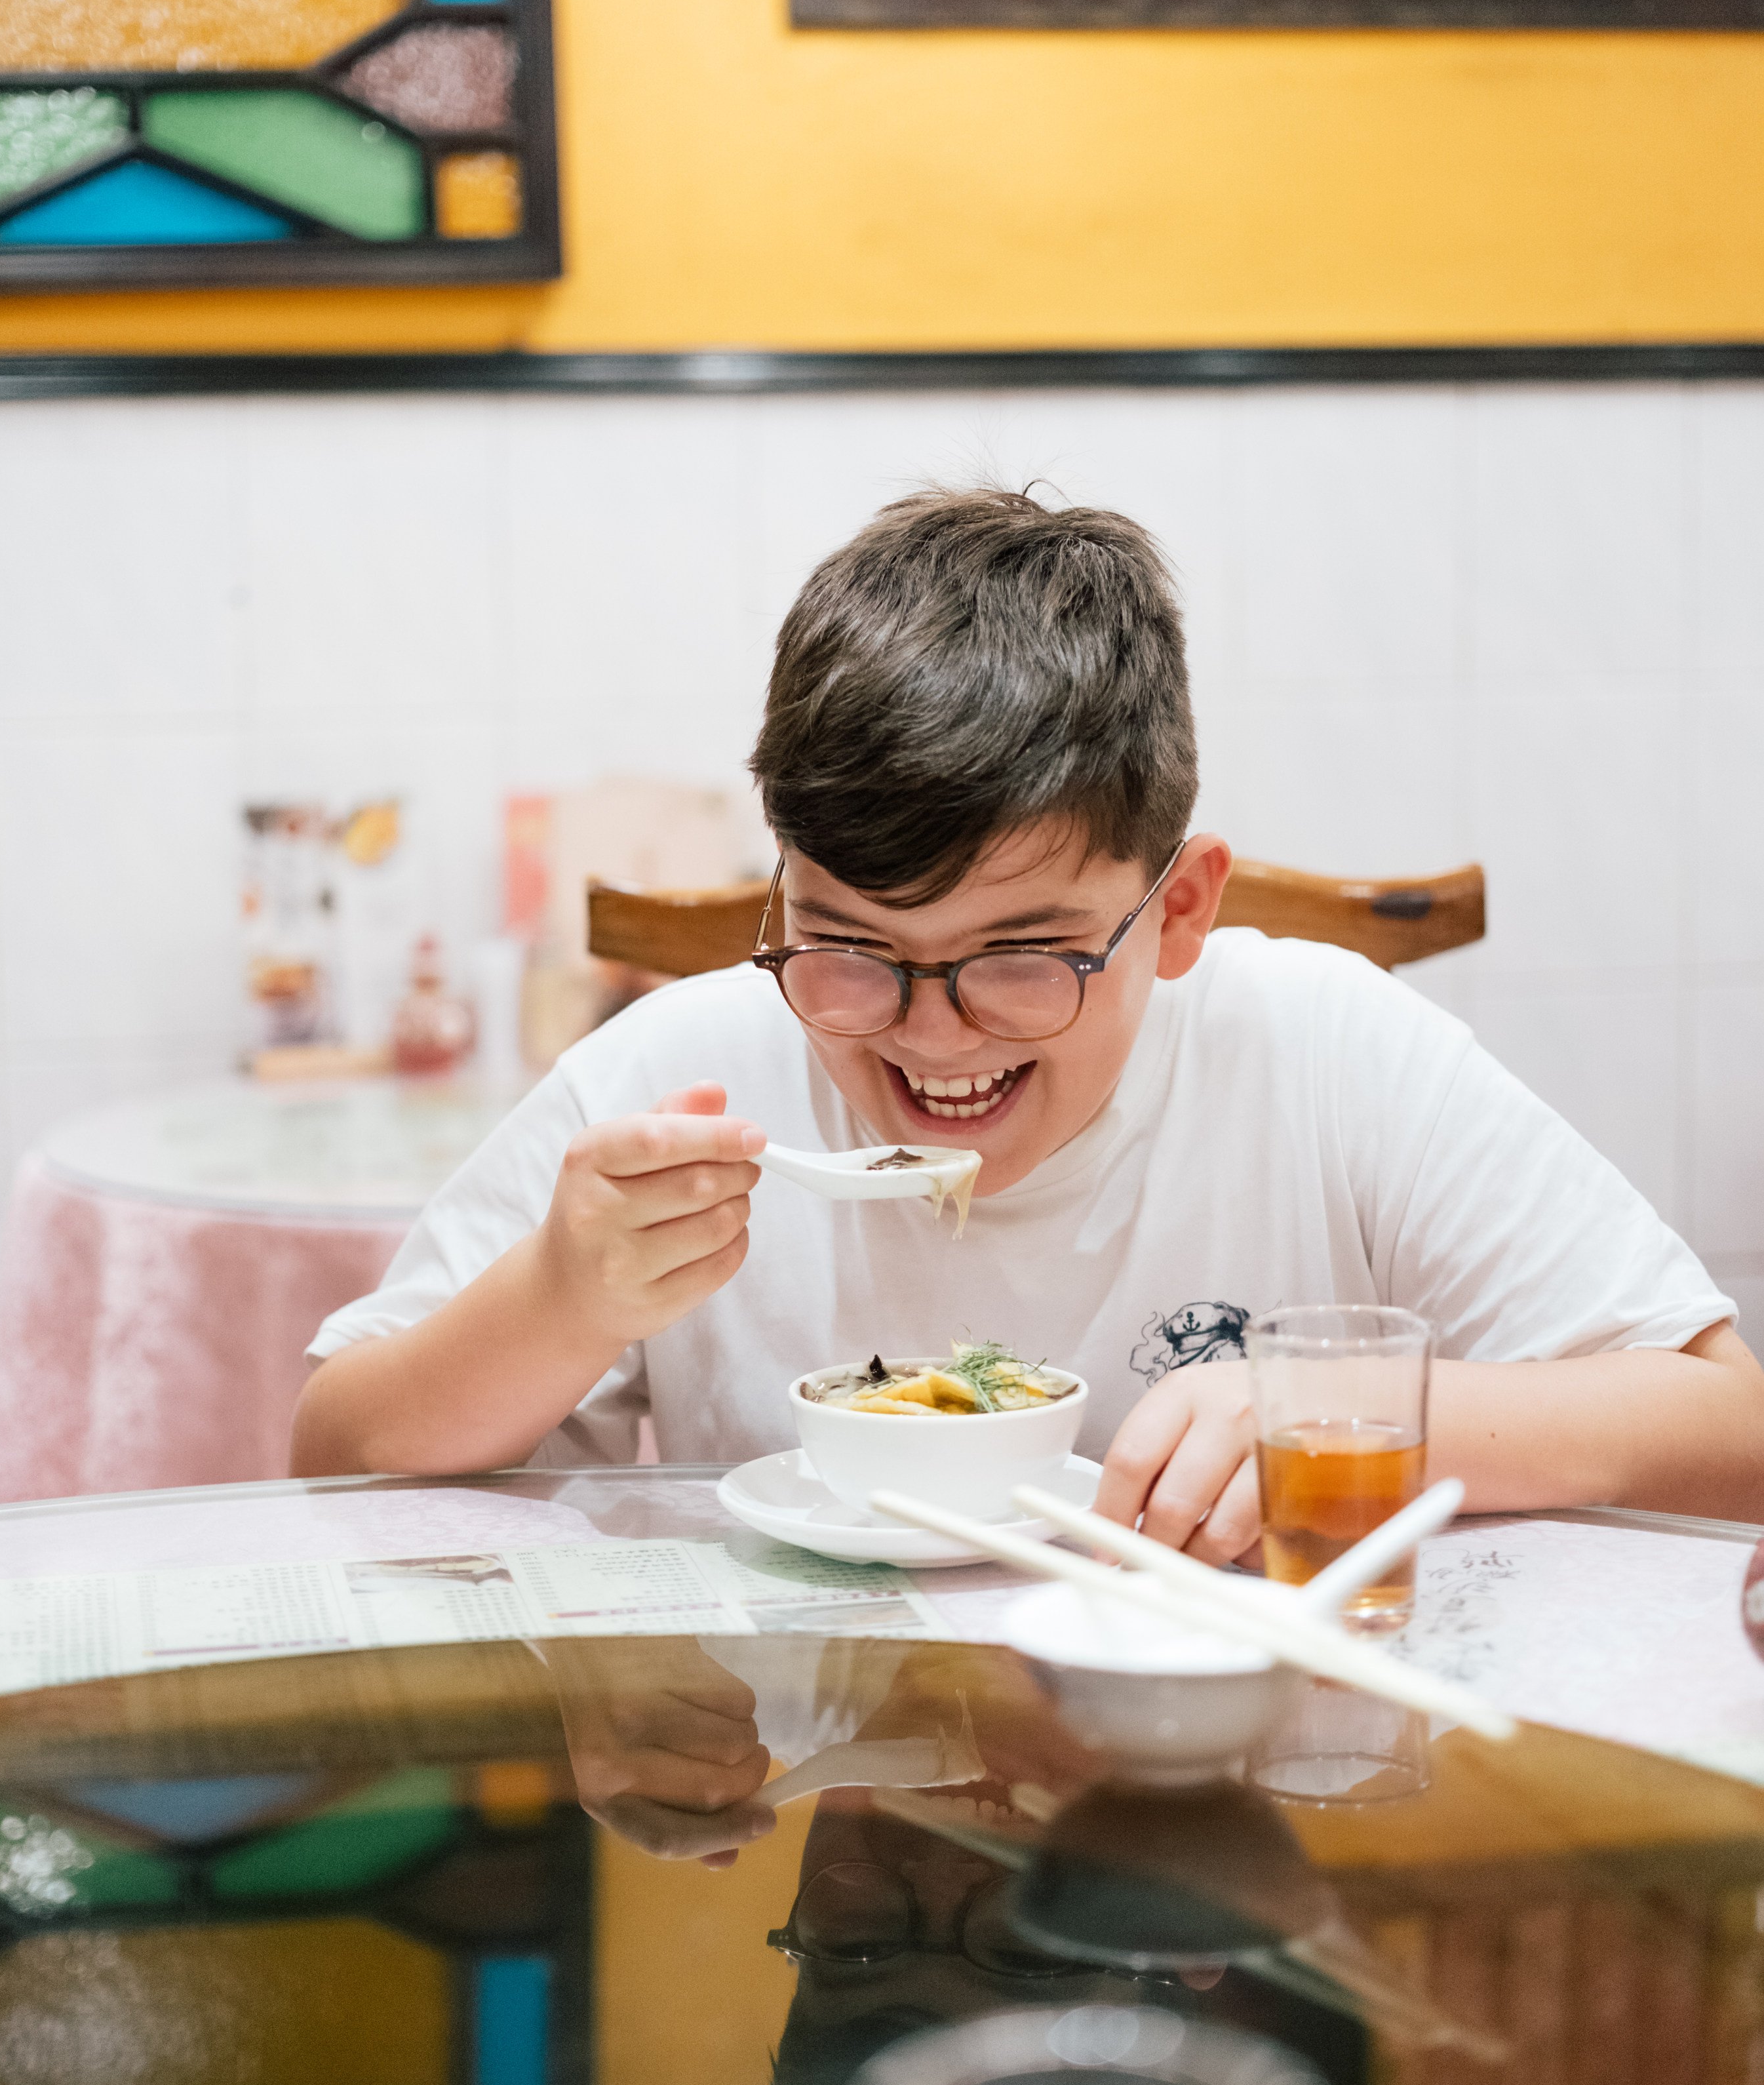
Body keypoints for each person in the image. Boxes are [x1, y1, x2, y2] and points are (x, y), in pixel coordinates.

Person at [292, 487, 1764, 1548]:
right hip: (837, 1823)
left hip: (1265, 1825)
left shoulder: (1322, 1049)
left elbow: (1731, 1437)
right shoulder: (689, 1068)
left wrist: (1364, 1413)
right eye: (851, 948)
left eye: (1024, 958)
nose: (934, 1038)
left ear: (1179, 910)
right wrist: (561, 1296)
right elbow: (334, 1459)